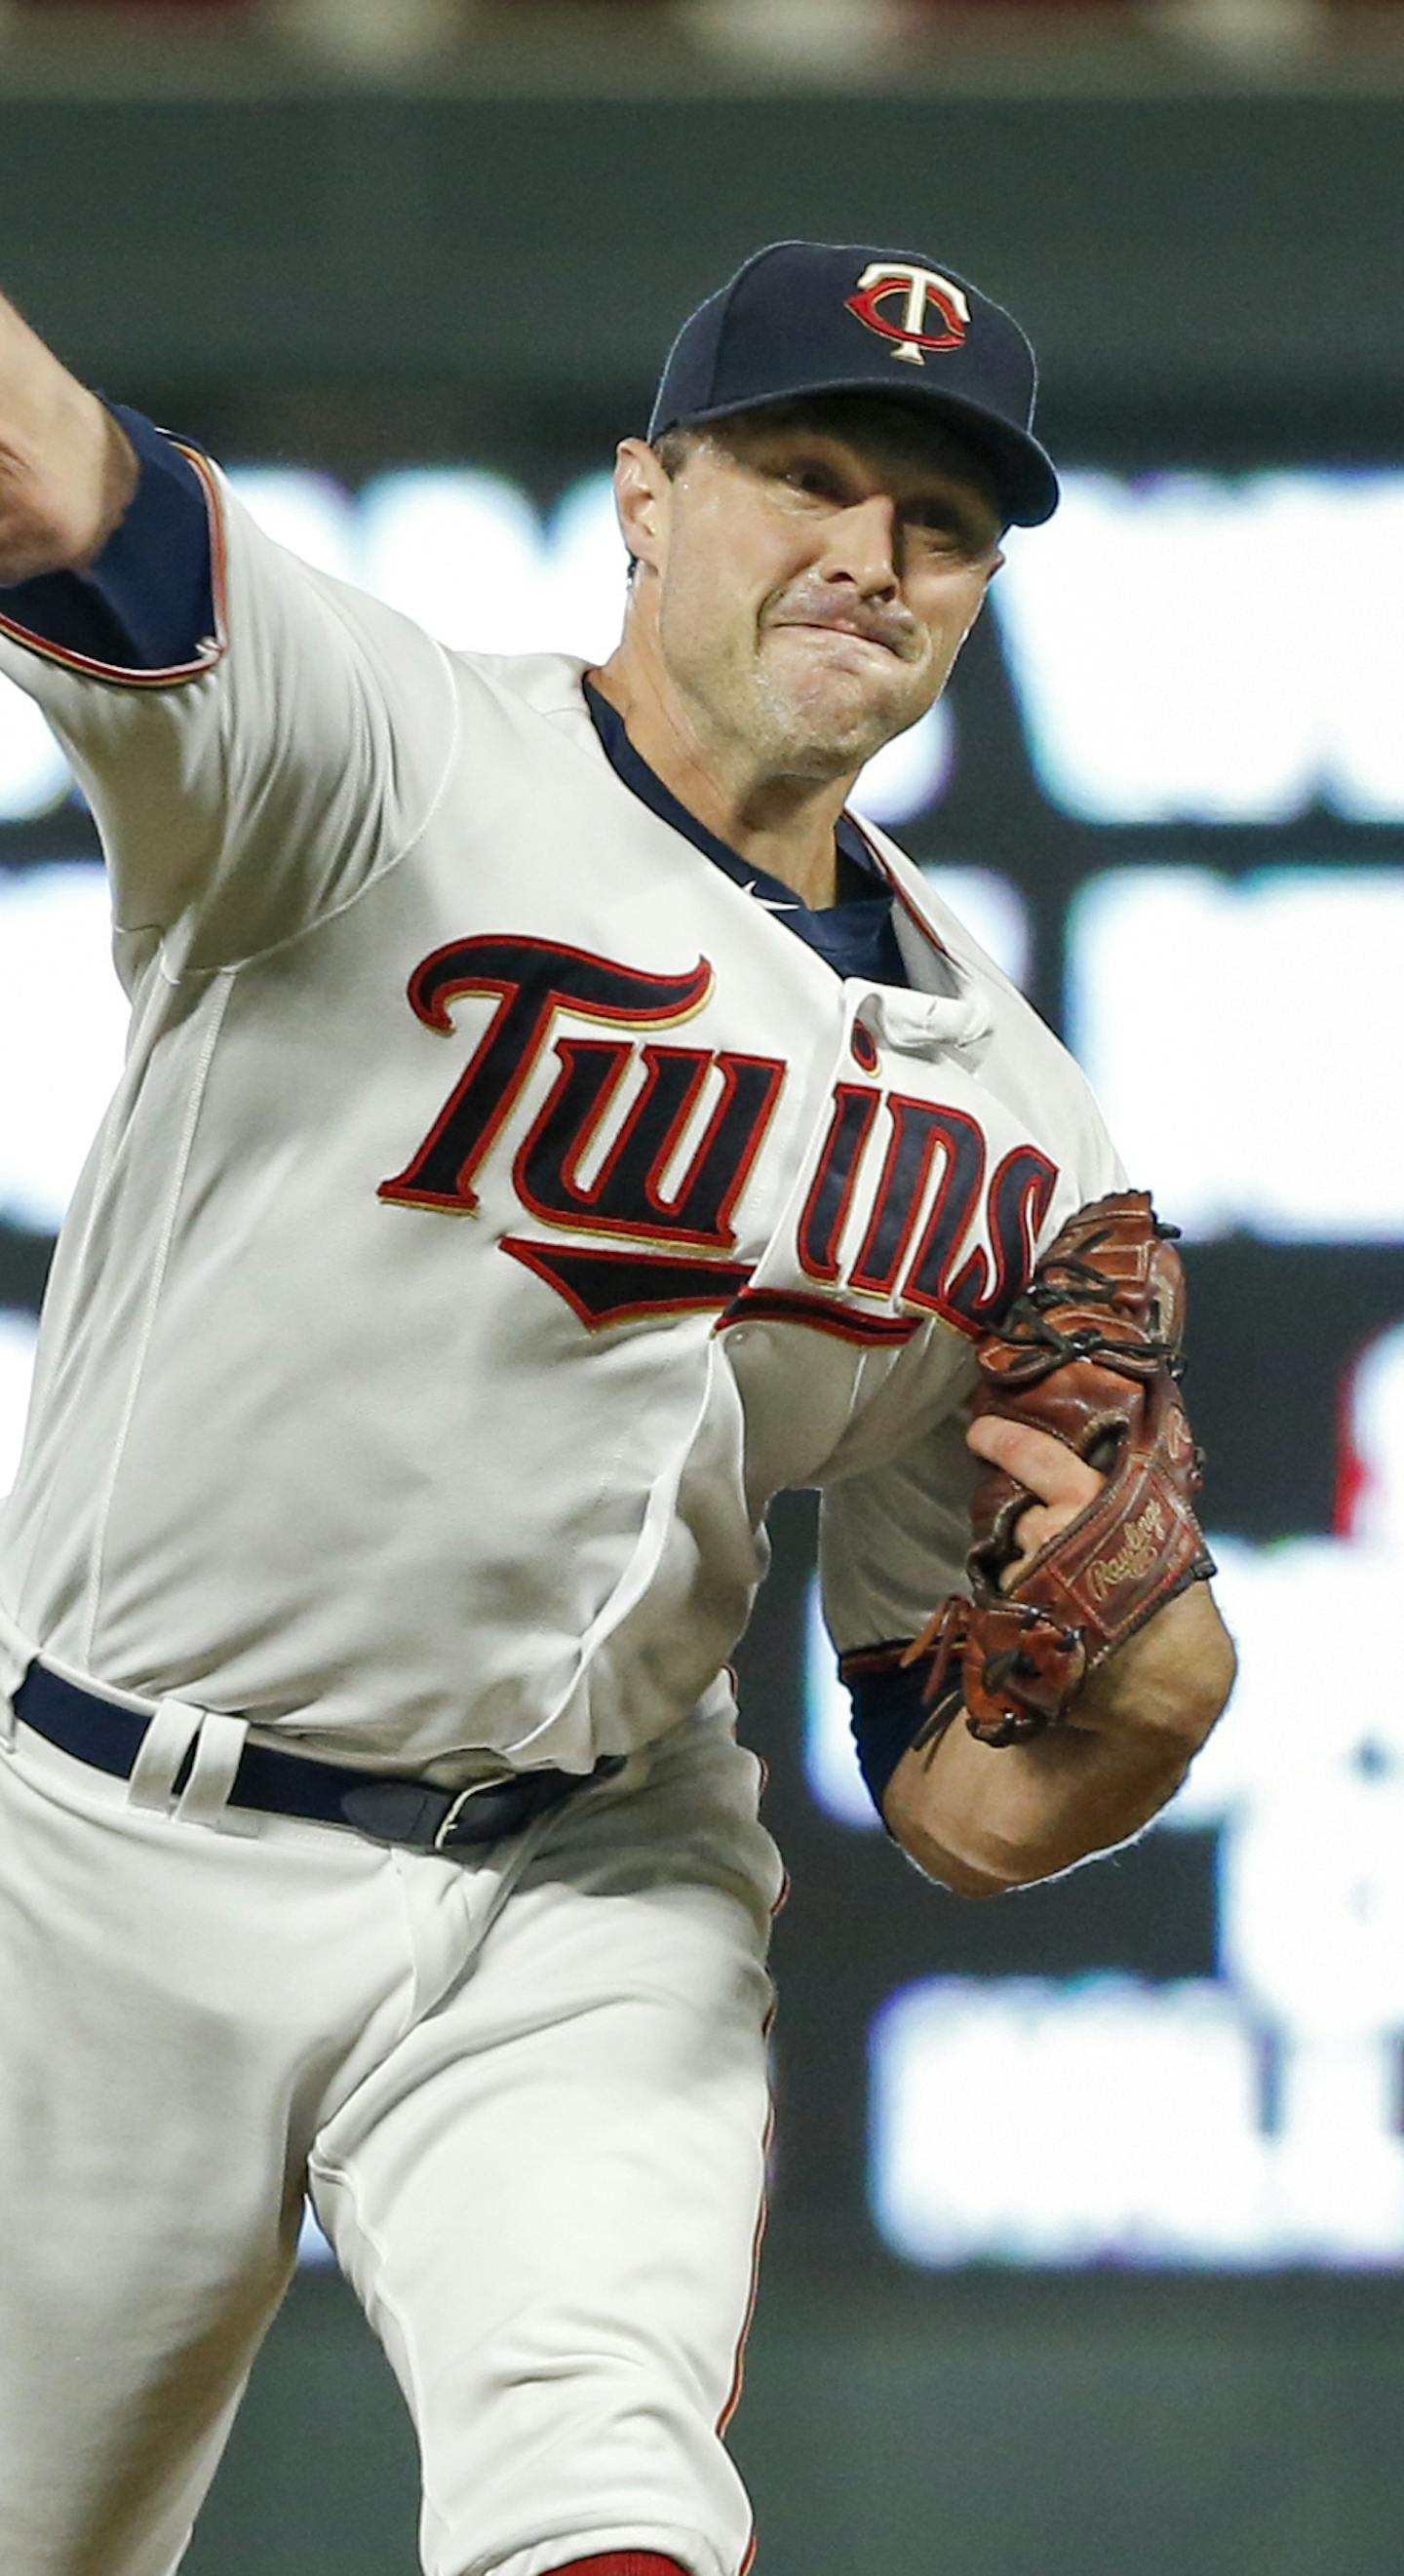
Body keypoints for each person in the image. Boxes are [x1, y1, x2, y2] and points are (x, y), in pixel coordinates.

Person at [0, 240, 1235, 2576]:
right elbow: (57, 476)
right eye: (806, 475)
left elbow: (958, 1804)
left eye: (940, 522)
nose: (868, 554)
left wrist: (1149, 1713)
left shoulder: (1027, 1127)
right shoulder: (378, 750)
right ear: (646, 496)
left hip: (582, 1887)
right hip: (102, 1848)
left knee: (610, 2506)